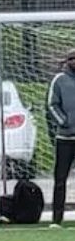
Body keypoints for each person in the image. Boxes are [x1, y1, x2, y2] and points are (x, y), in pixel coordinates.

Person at [48, 49, 75, 227]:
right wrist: (64, 122)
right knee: (60, 179)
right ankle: (57, 218)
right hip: (65, 139)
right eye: (72, 59)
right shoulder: (59, 80)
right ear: (67, 61)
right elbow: (52, 104)